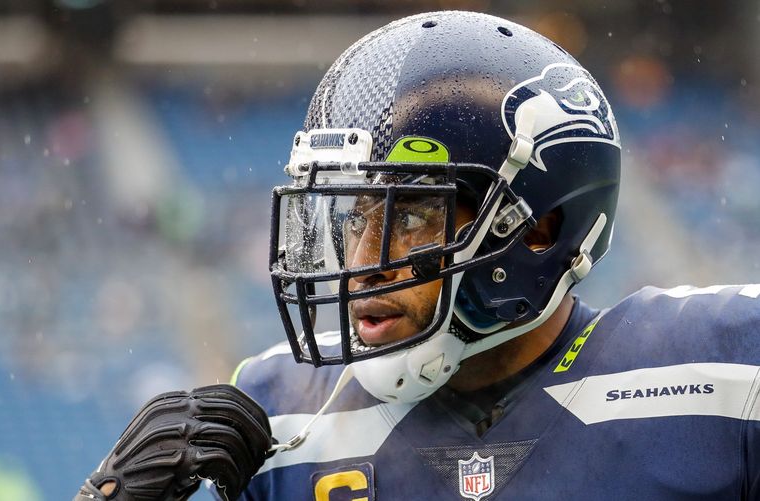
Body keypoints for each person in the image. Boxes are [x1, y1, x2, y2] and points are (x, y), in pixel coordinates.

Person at [76, 11, 760, 501]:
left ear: (542, 228)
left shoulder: (721, 368)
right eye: (355, 215)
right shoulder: (280, 418)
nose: (364, 259)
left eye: (410, 218)